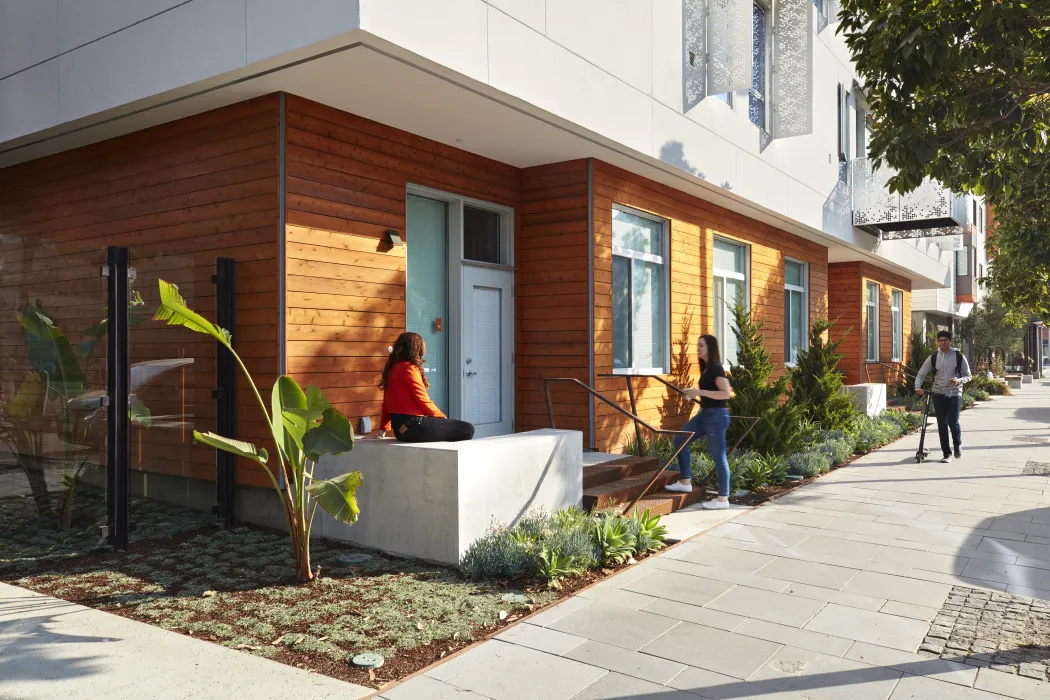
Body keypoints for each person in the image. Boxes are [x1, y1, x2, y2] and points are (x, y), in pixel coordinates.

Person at [365, 332, 475, 442]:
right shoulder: (409, 369)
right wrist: (442, 417)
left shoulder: (392, 369)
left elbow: (386, 404)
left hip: (400, 432)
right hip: (414, 426)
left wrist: (382, 430)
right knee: (468, 429)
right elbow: (422, 399)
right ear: (416, 349)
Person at [665, 334, 734, 509]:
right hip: (704, 415)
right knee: (680, 439)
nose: (698, 348)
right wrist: (695, 394)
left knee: (719, 457)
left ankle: (722, 499)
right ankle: (685, 481)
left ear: (710, 347)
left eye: (701, 345)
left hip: (716, 416)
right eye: (698, 345)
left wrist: (700, 393)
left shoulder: (716, 368)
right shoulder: (707, 368)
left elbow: (726, 394)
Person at [915, 330, 972, 463]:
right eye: (940, 340)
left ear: (950, 341)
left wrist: (959, 380)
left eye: (945, 340)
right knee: (942, 424)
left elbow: (969, 376)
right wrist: (917, 387)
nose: (942, 342)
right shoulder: (933, 357)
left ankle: (957, 445)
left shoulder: (958, 356)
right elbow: (921, 373)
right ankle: (947, 454)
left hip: (955, 394)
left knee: (953, 422)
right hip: (938, 393)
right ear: (938, 342)